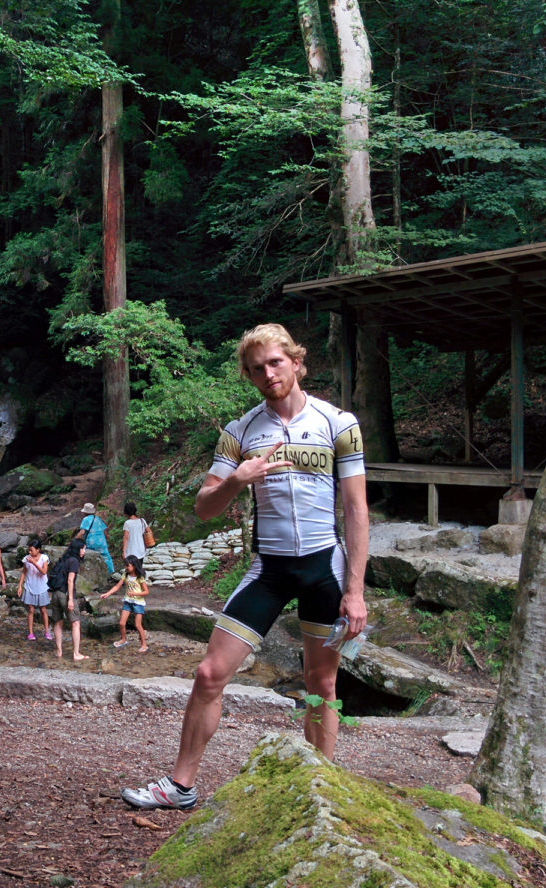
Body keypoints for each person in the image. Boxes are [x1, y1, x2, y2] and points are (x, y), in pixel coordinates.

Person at [121, 323, 368, 811]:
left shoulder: (339, 423)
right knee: (209, 673)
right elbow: (203, 508)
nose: (268, 373)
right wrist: (238, 478)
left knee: (322, 683)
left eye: (276, 362)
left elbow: (357, 511)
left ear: (297, 362)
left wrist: (355, 590)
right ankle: (180, 786)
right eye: (257, 368)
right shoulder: (240, 432)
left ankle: (322, 791)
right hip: (270, 569)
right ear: (249, 376)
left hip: (325, 566)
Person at [48, 537, 89, 661]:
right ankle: (76, 654)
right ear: (78, 549)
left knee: (58, 622)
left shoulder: (63, 559)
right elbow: (70, 580)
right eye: (83, 549)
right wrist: (71, 599)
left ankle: (59, 651)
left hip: (55, 594)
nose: (84, 551)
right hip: (65, 595)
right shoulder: (74, 561)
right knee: (75, 622)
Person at [101, 554, 150, 652]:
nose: (126, 568)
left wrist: (135, 593)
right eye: (125, 566)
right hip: (127, 601)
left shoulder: (140, 577)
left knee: (138, 625)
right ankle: (123, 639)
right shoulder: (125, 575)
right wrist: (108, 593)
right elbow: (117, 586)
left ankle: (144, 644)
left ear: (134, 566)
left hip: (138, 603)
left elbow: (146, 591)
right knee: (122, 623)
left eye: (128, 566)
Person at [17, 537, 51, 641]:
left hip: (41, 586)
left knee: (43, 609)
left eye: (31, 550)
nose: (29, 552)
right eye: (29, 550)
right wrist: (20, 586)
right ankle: (31, 633)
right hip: (29, 586)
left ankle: (47, 631)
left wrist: (34, 563)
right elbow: (24, 572)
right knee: (31, 610)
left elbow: (44, 572)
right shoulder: (26, 559)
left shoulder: (44, 558)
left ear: (38, 549)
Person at [79, 503, 116, 576]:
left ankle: (92, 574)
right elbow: (105, 532)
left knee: (91, 557)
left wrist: (75, 539)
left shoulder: (85, 519)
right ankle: (111, 573)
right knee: (106, 557)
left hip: (91, 542)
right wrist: (109, 538)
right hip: (101, 542)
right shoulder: (98, 519)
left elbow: (82, 532)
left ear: (85, 512)